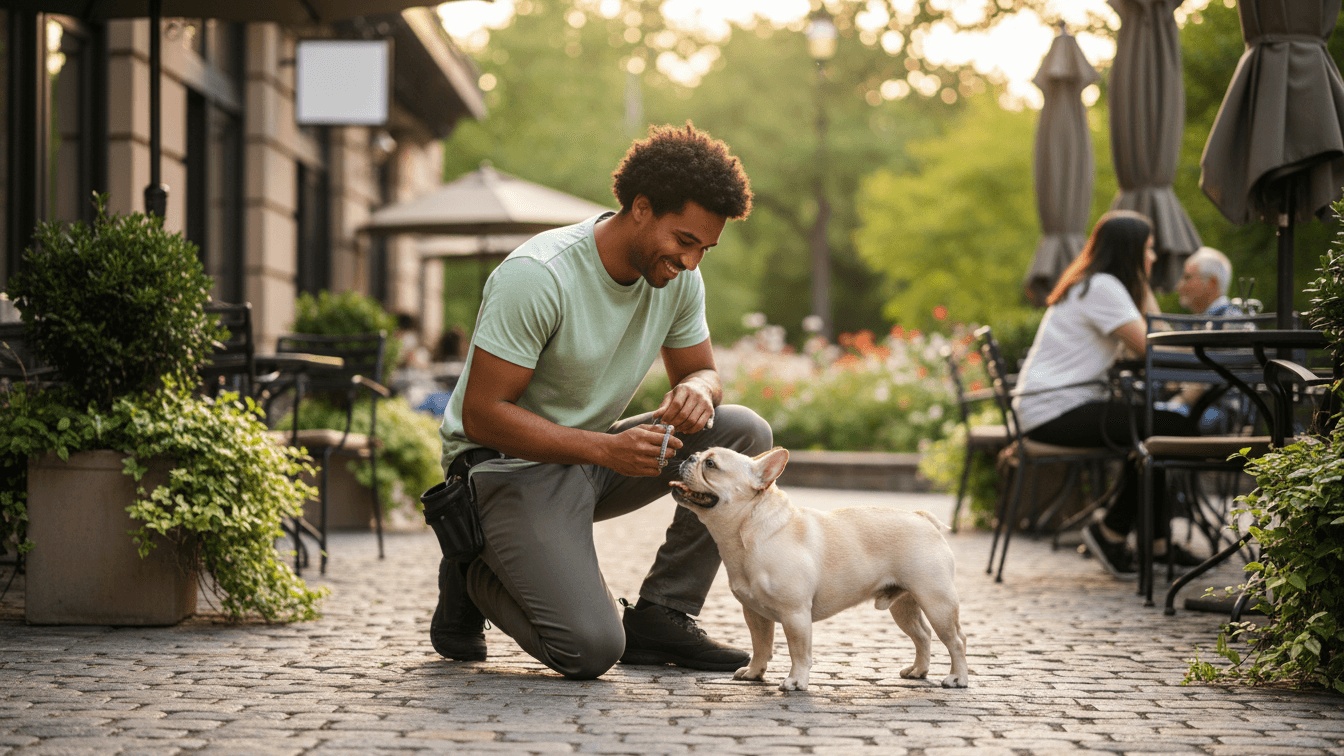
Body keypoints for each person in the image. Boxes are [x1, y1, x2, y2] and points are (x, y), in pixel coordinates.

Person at [431, 123, 772, 680]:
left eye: (704, 249)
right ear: (641, 208)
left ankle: (664, 613)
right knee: (589, 650)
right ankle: (474, 565)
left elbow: (704, 370)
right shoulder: (538, 277)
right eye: (685, 241)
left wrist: (698, 389)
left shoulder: (681, 279)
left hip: (591, 458)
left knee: (742, 432)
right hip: (505, 469)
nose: (691, 262)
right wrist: (605, 450)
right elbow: (481, 415)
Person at [1013, 210, 1201, 579]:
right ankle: (1111, 531)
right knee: (1167, 426)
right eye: (1147, 249)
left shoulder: (1092, 284)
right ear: (1129, 252)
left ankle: (1155, 542)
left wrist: (1142, 290)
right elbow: (1152, 348)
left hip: (1048, 407)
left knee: (1156, 427)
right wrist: (1145, 291)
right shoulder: (1102, 287)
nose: (1153, 257)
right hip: (1055, 411)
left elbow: (1142, 347)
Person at [1177, 246, 1242, 318]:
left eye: (1187, 277)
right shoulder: (1226, 319)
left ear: (1212, 282)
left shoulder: (1232, 321)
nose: (1179, 286)